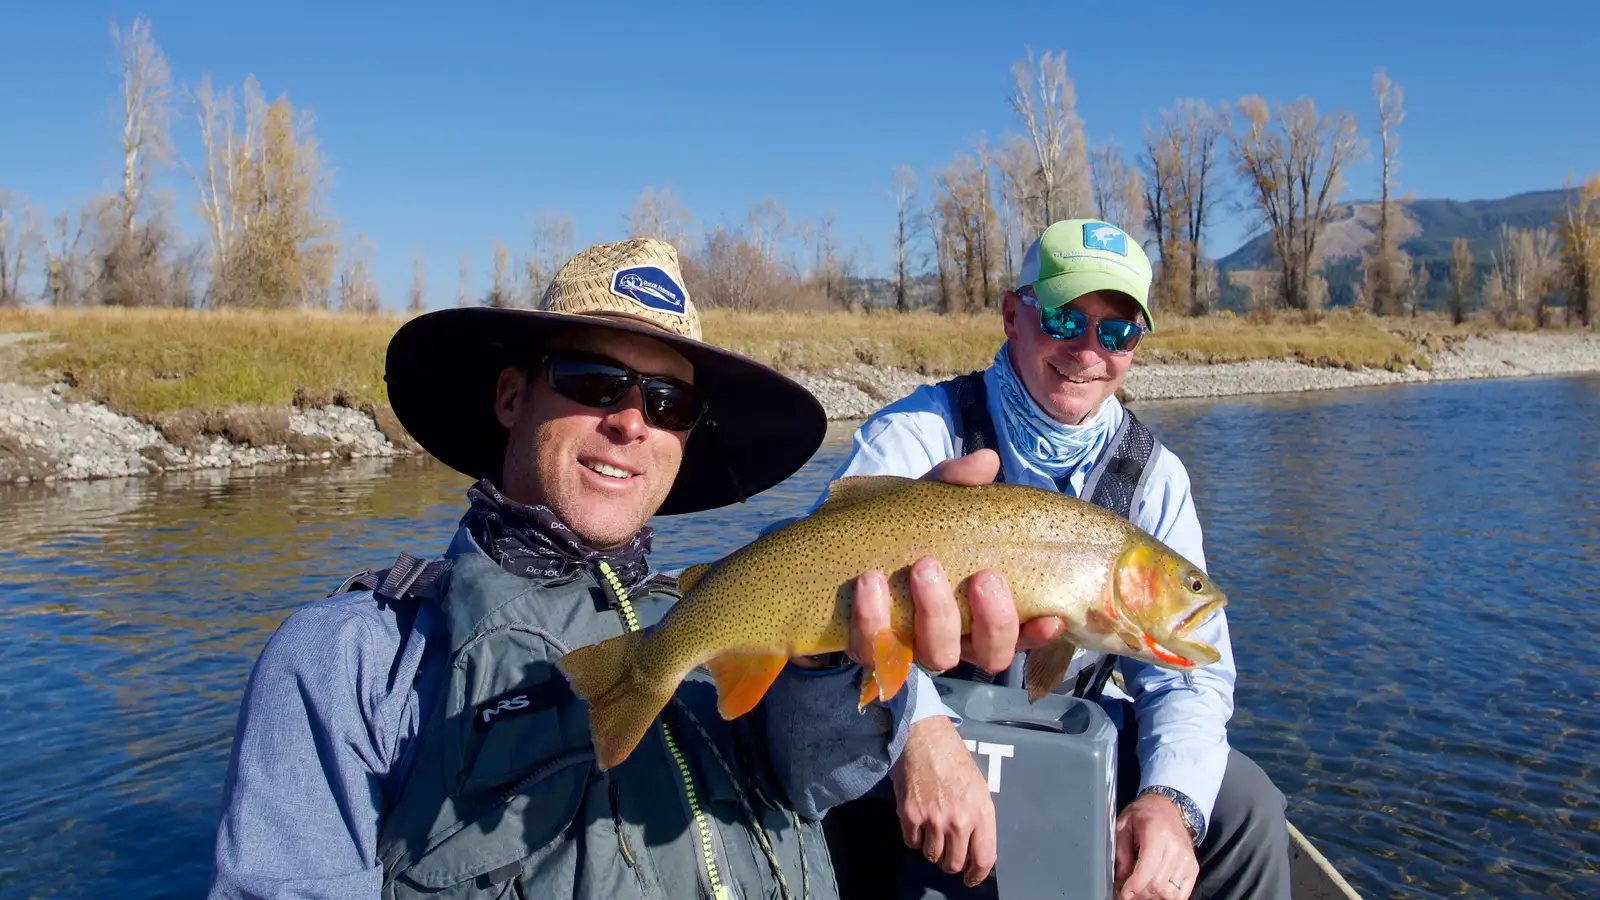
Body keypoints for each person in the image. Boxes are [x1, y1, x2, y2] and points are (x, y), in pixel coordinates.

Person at [205, 237, 1050, 900]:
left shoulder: (715, 614)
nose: (630, 423)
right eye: (591, 380)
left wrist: (849, 644)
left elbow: (812, 780)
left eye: (667, 401)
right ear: (510, 397)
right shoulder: (348, 664)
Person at [818, 219, 1292, 900]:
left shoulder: (1155, 480)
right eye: (1066, 318)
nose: (1087, 351)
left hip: (1061, 729)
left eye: (1117, 332)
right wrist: (917, 731)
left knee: (1243, 805)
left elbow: (1192, 678)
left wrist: (1171, 801)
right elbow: (821, 577)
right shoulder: (918, 435)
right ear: (1014, 315)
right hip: (905, 713)